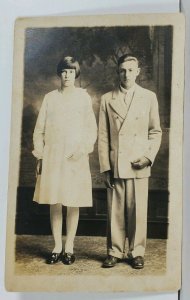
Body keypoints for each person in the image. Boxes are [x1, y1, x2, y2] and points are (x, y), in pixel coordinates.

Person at [98, 54, 162, 269]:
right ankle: (114, 251)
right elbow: (104, 136)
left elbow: (155, 132)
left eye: (130, 70)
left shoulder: (149, 97)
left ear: (138, 72)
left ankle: (137, 252)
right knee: (115, 211)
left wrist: (148, 157)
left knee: (138, 211)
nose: (126, 74)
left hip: (138, 162)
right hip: (116, 163)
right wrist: (106, 167)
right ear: (118, 72)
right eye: (122, 70)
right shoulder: (107, 99)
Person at [32, 56, 97, 265]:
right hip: (53, 156)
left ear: (76, 74)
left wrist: (82, 150)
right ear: (59, 74)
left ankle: (69, 247)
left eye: (71, 71)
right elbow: (39, 130)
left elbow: (90, 129)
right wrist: (41, 155)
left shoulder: (83, 98)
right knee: (56, 201)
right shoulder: (50, 97)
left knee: (72, 201)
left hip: (75, 157)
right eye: (64, 71)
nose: (67, 75)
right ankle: (57, 246)